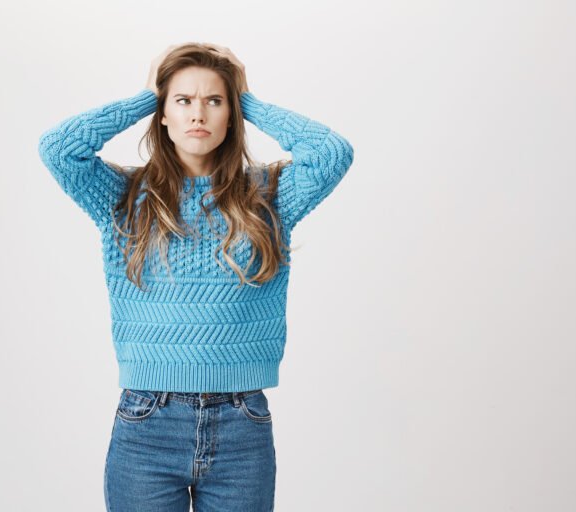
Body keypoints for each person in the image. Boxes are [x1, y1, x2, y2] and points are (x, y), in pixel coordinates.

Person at [38, 42, 355, 512]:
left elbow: (331, 153)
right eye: (182, 100)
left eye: (215, 101)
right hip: (147, 422)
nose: (197, 114)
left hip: (241, 423)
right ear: (163, 113)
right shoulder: (124, 196)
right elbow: (59, 149)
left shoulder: (266, 196)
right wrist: (146, 95)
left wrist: (250, 101)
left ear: (232, 114)